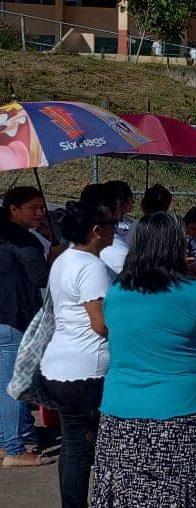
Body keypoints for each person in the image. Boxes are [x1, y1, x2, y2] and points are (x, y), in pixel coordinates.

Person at [93, 212, 196, 507]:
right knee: (176, 488)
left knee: (124, 489)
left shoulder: (117, 291)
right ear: (174, 247)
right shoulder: (195, 293)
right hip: (178, 408)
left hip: (121, 405)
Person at [41, 200, 116, 507]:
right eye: (112, 224)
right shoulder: (91, 267)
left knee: (73, 445)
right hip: (85, 369)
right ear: (97, 231)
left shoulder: (65, 259)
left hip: (61, 364)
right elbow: (101, 324)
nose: (116, 229)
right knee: (82, 448)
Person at [0, 186, 52, 468]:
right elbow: (42, 277)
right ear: (13, 210)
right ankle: (15, 450)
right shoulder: (24, 241)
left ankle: (6, 439)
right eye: (33, 208)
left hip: (3, 318)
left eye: (42, 207)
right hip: (13, 319)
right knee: (15, 386)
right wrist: (53, 254)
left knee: (3, 385)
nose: (40, 213)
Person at [99, 181, 135, 277]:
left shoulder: (76, 245)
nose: (133, 203)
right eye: (131, 199)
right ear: (119, 205)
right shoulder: (120, 252)